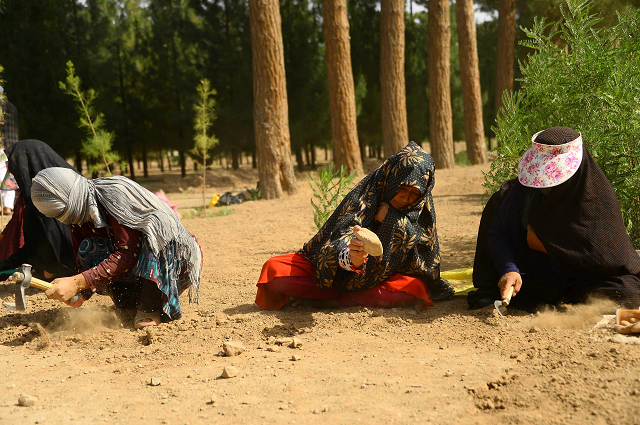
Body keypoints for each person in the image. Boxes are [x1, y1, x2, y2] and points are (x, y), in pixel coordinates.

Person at [255, 142, 454, 310]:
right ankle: (334, 297)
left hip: (383, 281)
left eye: (414, 194)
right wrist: (350, 258)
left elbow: (421, 259)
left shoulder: (421, 211)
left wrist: (391, 218)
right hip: (337, 274)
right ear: (392, 178)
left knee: (415, 289)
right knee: (273, 270)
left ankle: (326, 302)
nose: (406, 198)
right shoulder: (367, 195)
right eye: (402, 189)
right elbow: (341, 233)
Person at [468, 126, 640, 312]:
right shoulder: (524, 191)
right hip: (534, 275)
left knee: (626, 292)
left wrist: (547, 247)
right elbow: (498, 234)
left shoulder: (597, 198)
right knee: (499, 200)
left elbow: (606, 259)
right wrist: (509, 269)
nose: (544, 185)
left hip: (581, 279)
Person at [30, 167, 203, 328]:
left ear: (70, 198)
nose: (62, 219)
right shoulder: (79, 213)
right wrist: (81, 291)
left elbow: (127, 254)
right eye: (57, 216)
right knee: (87, 248)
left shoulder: (115, 194)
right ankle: (127, 305)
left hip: (170, 258)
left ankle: (150, 304)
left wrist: (76, 283)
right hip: (133, 262)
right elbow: (83, 261)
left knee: (151, 238)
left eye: (61, 213)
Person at [0, 140, 78, 278]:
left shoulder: (55, 203)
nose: (11, 170)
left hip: (82, 273)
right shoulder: (33, 203)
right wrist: (4, 267)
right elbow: (32, 248)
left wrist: (50, 271)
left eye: (13, 165)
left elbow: (55, 245)